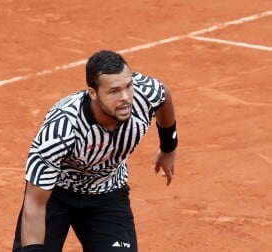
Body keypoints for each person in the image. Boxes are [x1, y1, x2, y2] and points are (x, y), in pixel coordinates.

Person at [12, 50, 178, 252]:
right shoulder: (61, 131)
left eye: (128, 86)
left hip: (107, 192)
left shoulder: (144, 94)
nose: (126, 97)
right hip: (56, 194)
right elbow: (35, 203)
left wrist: (168, 147)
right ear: (93, 93)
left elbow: (163, 95)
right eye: (114, 91)